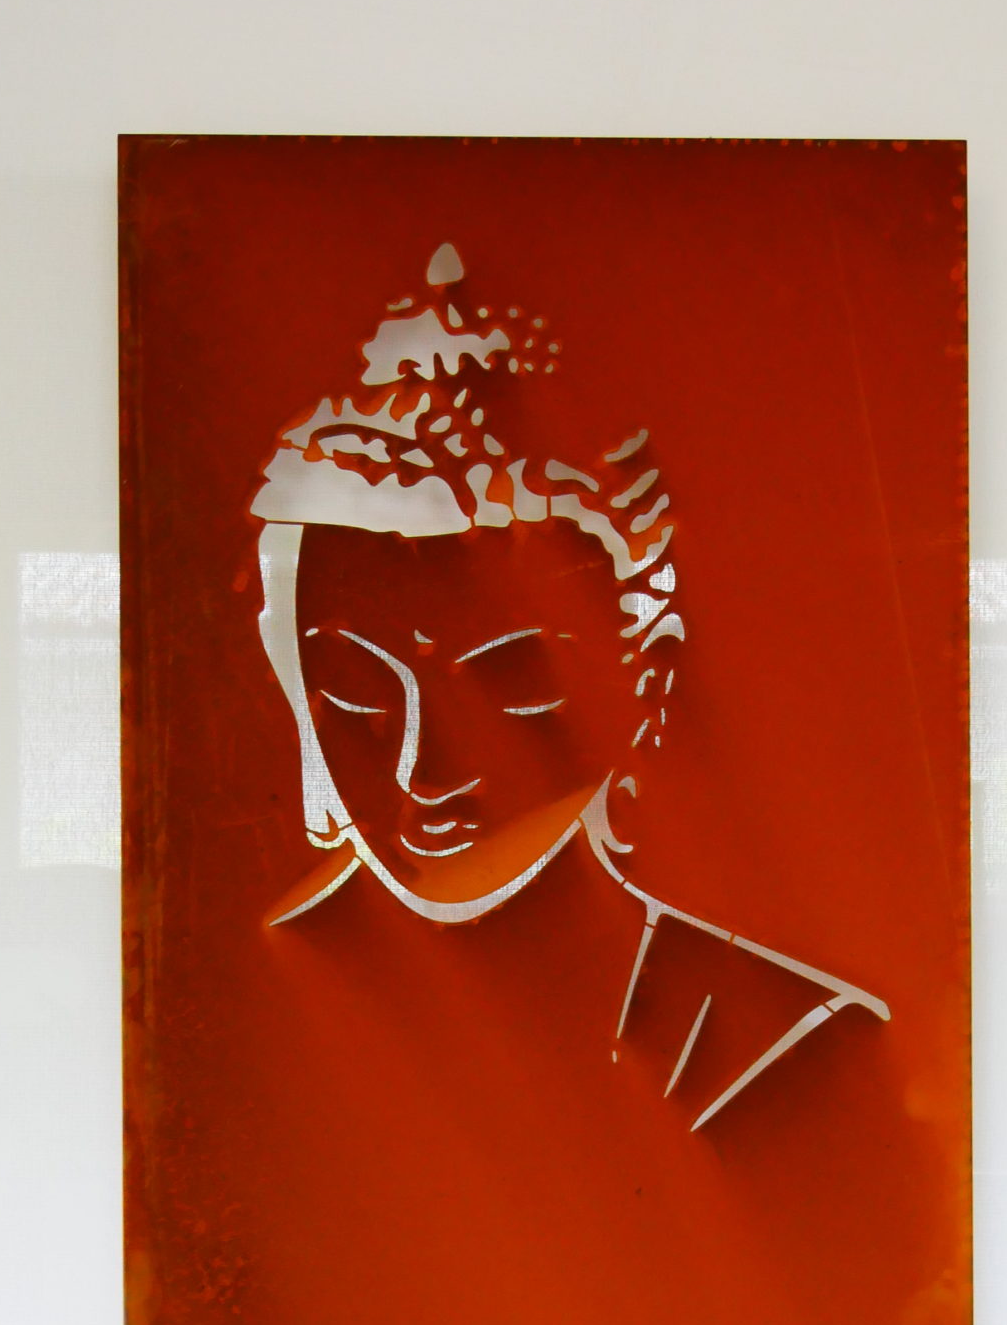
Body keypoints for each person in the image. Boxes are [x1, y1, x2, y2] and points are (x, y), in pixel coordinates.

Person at [251, 244, 886, 1132]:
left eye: (516, 688)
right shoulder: (261, 1002)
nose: (423, 776)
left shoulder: (770, 1048)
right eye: (357, 698)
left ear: (642, 683)